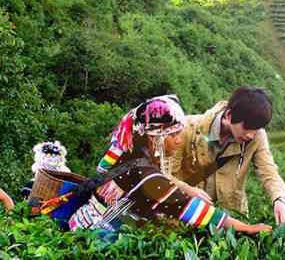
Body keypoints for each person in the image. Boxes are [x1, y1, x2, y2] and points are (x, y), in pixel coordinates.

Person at [68, 94, 270, 236]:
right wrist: (247, 228)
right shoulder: (147, 176)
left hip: (80, 221)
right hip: (96, 235)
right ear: (155, 138)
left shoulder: (122, 150)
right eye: (172, 135)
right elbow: (191, 209)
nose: (179, 140)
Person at [171, 86, 285, 224]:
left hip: (232, 220)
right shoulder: (187, 129)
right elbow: (165, 175)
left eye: (256, 129)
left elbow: (269, 172)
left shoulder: (256, 137)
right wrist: (186, 190)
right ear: (229, 116)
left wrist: (280, 200)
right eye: (247, 128)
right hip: (189, 215)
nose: (251, 135)